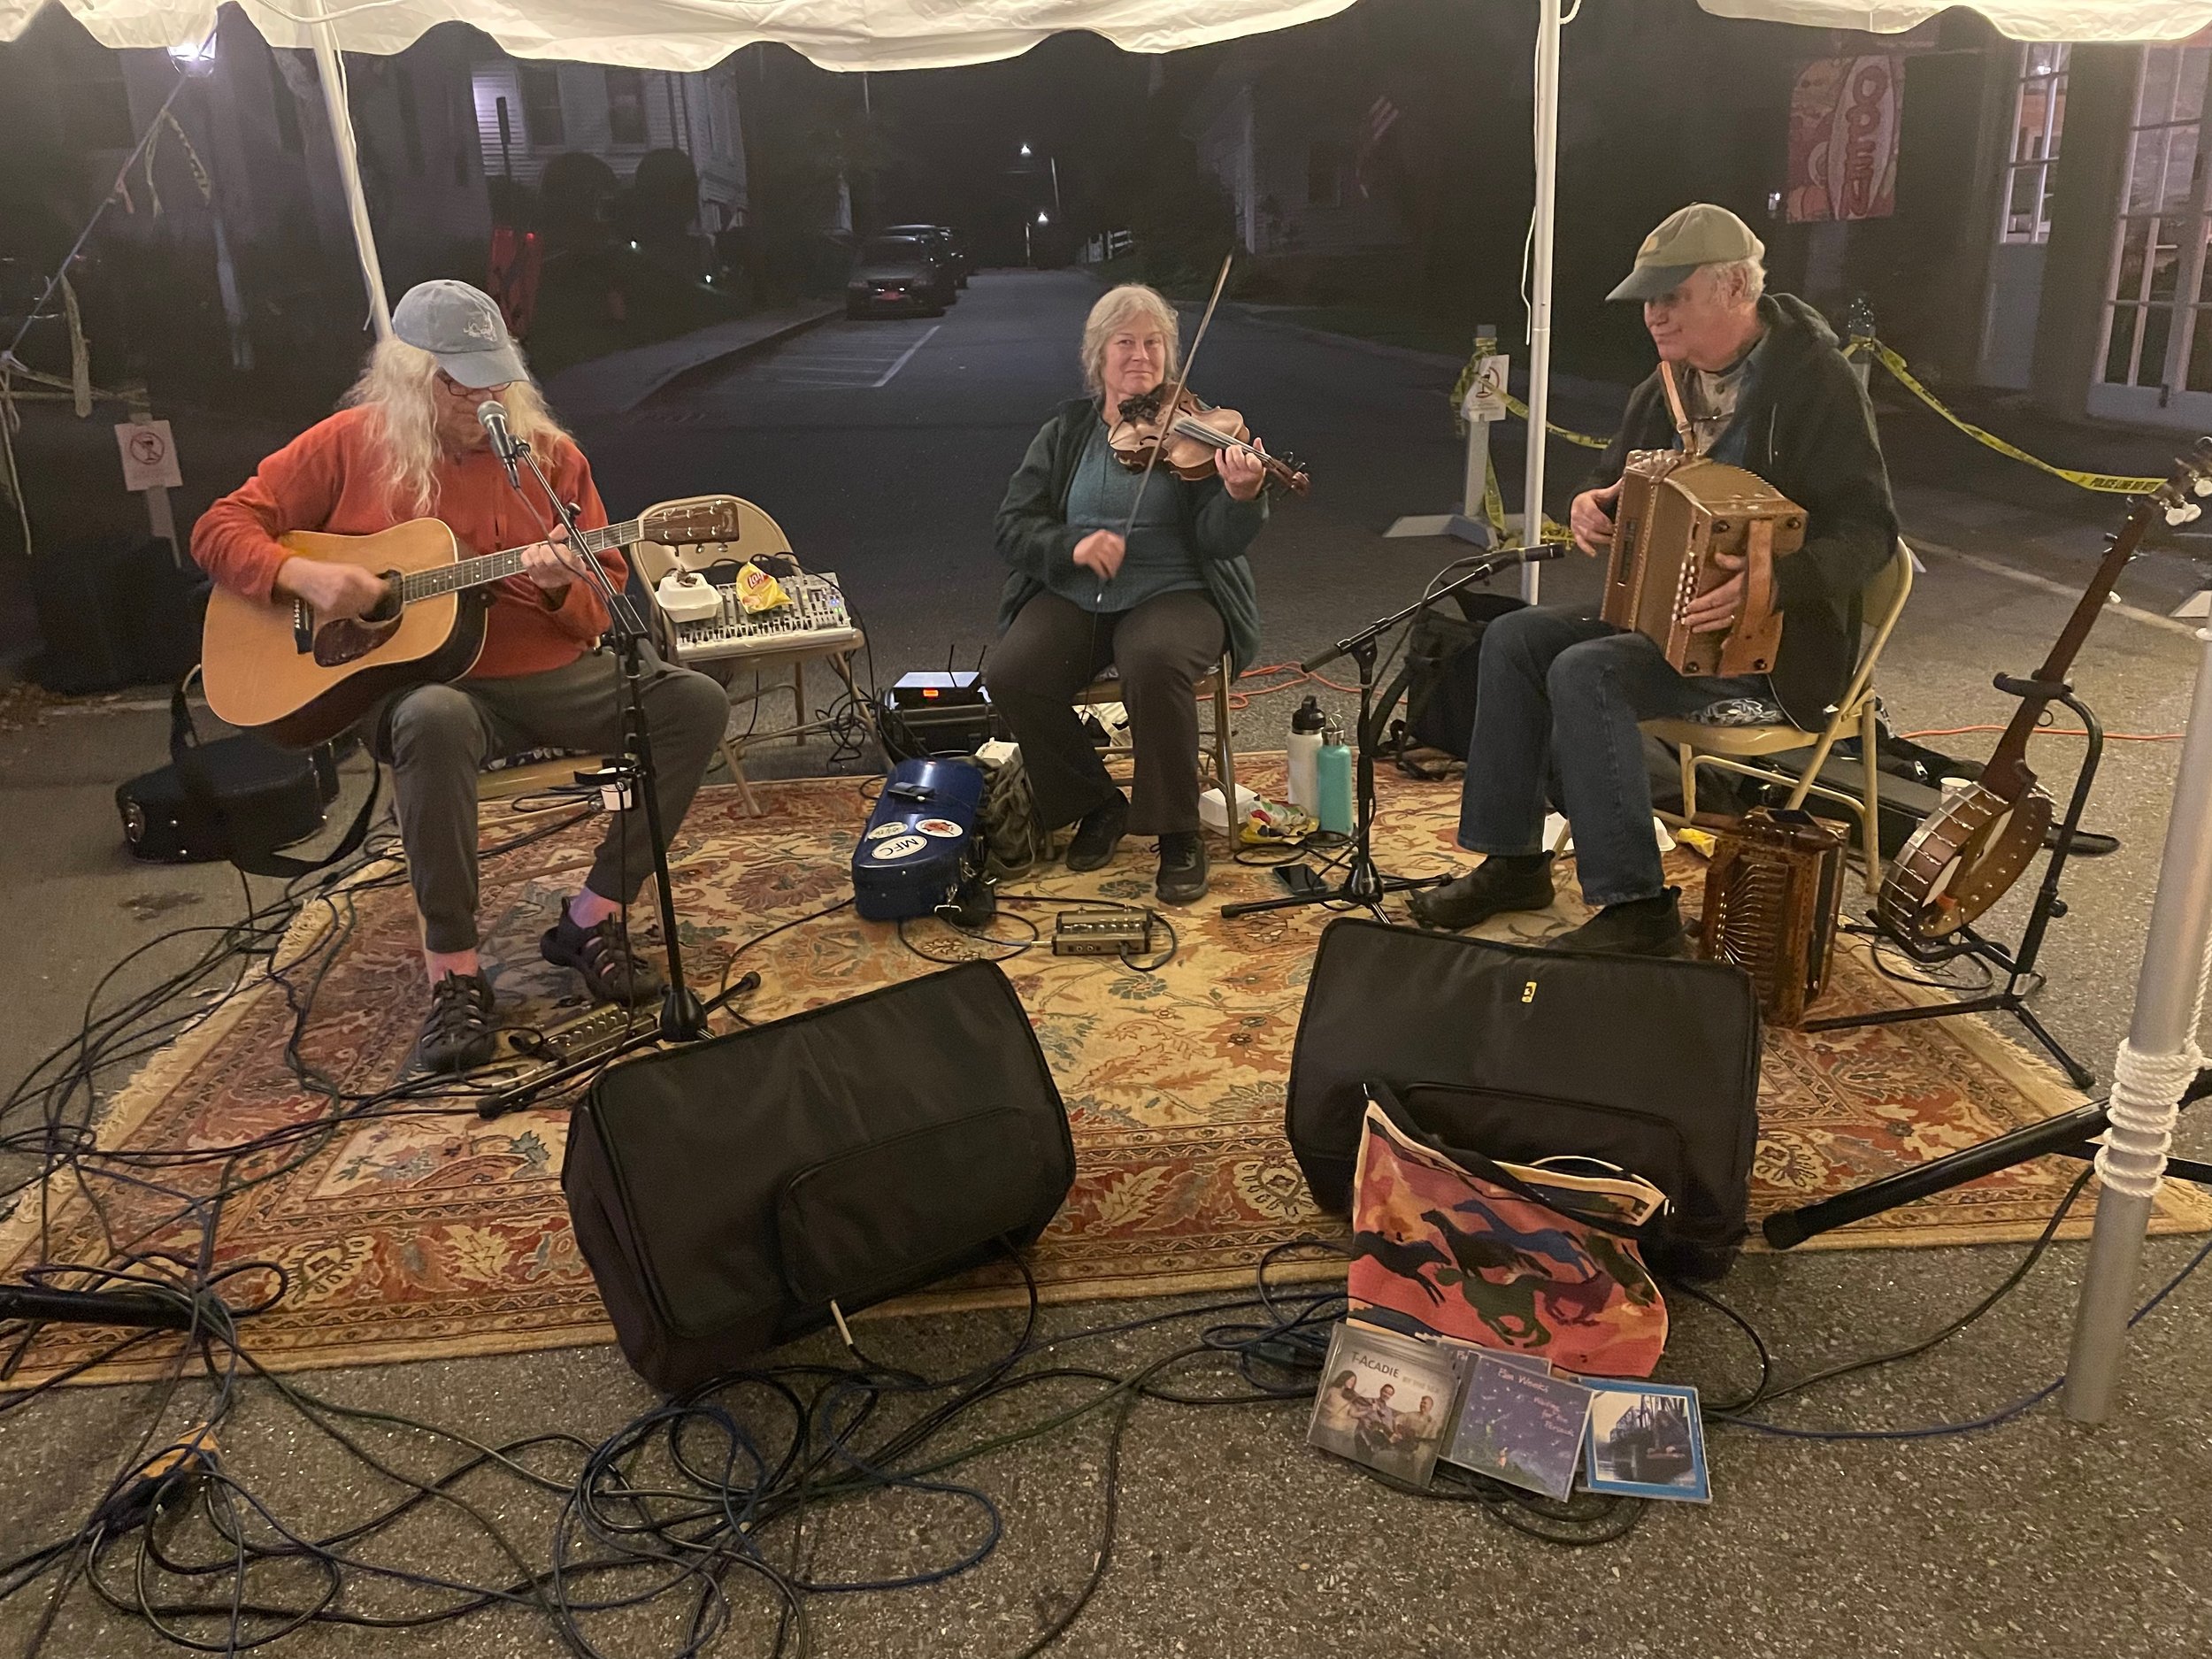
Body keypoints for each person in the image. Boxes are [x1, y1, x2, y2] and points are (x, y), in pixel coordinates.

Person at [192, 280, 731, 1072]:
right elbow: (218, 527)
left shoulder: (550, 461)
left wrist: (558, 582)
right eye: (461, 381)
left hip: (546, 679)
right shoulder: (348, 444)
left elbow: (595, 613)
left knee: (694, 702)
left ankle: (592, 916)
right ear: (412, 377)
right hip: (420, 692)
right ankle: (455, 972)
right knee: (434, 718)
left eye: (495, 377)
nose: (486, 399)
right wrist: (300, 578)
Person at [1409, 204, 1897, 956]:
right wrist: (1590, 506)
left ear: (1736, 287)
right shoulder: (1667, 384)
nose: (1654, 316)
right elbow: (1617, 480)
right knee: (1510, 637)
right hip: (1661, 627)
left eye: (1672, 296)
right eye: (1648, 299)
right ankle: (1514, 863)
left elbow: (1871, 533)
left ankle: (1639, 909)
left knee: (1588, 670)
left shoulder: (1816, 385)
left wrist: (1778, 582)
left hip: (1773, 654)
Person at [986, 283, 1270, 905]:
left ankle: (1177, 831)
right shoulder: (1067, 431)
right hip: (1078, 591)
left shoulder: (1198, 429)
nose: (1140, 355)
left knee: (1154, 659)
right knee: (1011, 672)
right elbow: (1013, 524)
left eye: (1153, 343)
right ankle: (1096, 802)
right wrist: (1073, 548)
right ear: (1099, 357)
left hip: (1178, 590)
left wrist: (1243, 496)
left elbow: (1221, 542)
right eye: (1125, 342)